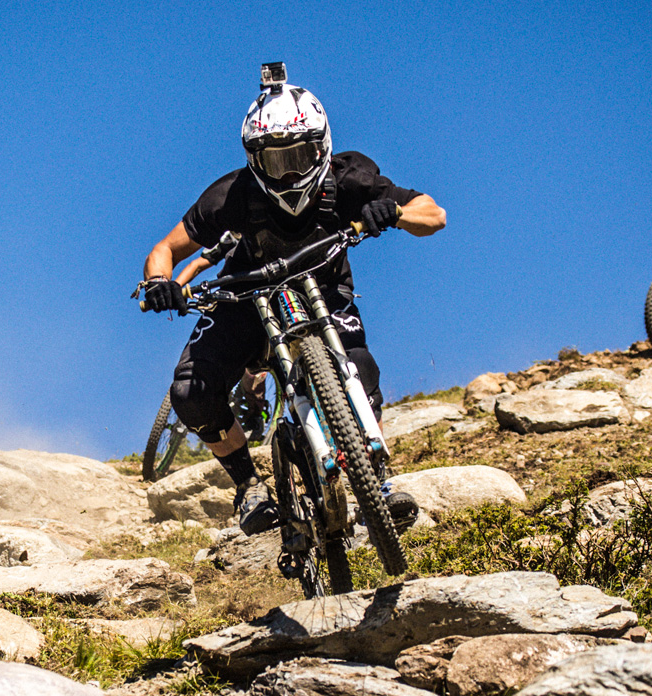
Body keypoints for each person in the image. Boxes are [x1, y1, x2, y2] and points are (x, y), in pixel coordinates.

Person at [137, 63, 446, 536]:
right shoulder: (232, 193)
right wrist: (161, 282)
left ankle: (378, 479)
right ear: (253, 159)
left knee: (359, 371)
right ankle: (249, 486)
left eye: (299, 156)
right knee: (190, 390)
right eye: (274, 161)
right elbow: (167, 250)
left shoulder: (350, 176)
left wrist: (397, 211)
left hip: (325, 295)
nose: (288, 172)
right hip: (246, 296)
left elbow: (434, 213)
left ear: (321, 146)